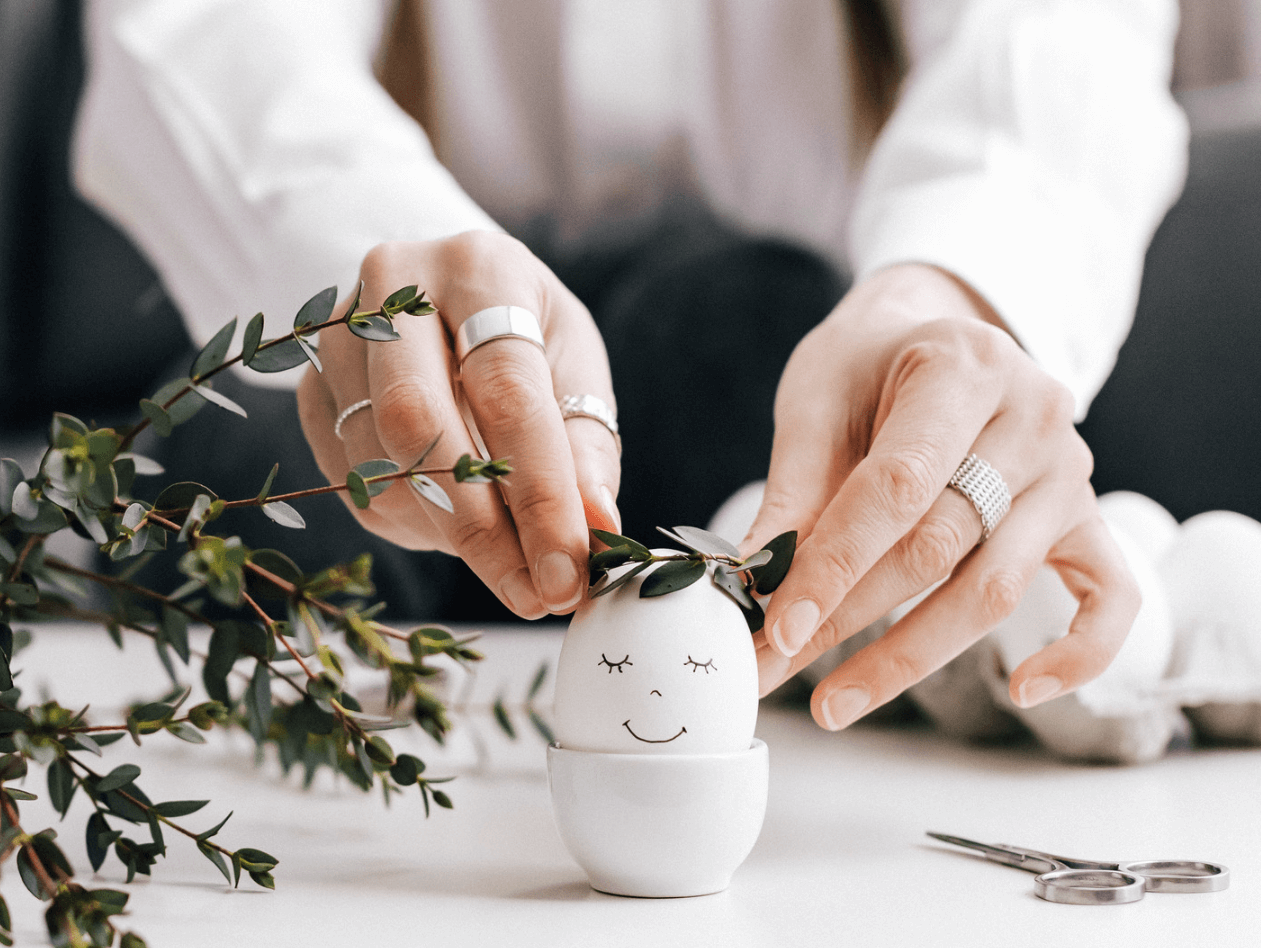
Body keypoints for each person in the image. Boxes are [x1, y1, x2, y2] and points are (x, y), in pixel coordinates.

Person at [72, 0, 1188, 733]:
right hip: (405, 414)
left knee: (748, 323)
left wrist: (947, 298)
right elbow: (209, 26)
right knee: (240, 475)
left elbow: (1052, 32)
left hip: (773, 377)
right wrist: (392, 271)